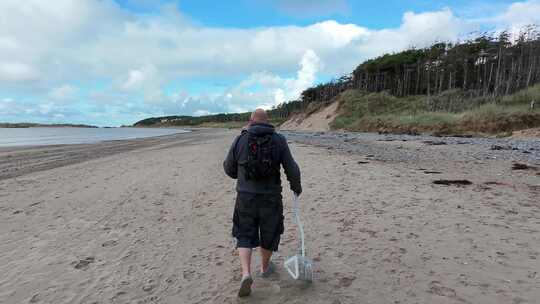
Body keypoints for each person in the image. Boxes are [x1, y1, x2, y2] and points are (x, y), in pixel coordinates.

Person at [223, 108, 302, 297]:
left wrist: (240, 176)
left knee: (244, 233)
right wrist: (296, 186)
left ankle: (246, 273)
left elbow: (228, 167)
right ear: (267, 122)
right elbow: (292, 168)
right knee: (269, 233)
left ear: (250, 121)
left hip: (245, 197)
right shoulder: (279, 140)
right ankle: (265, 268)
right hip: (271, 197)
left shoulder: (240, 139)